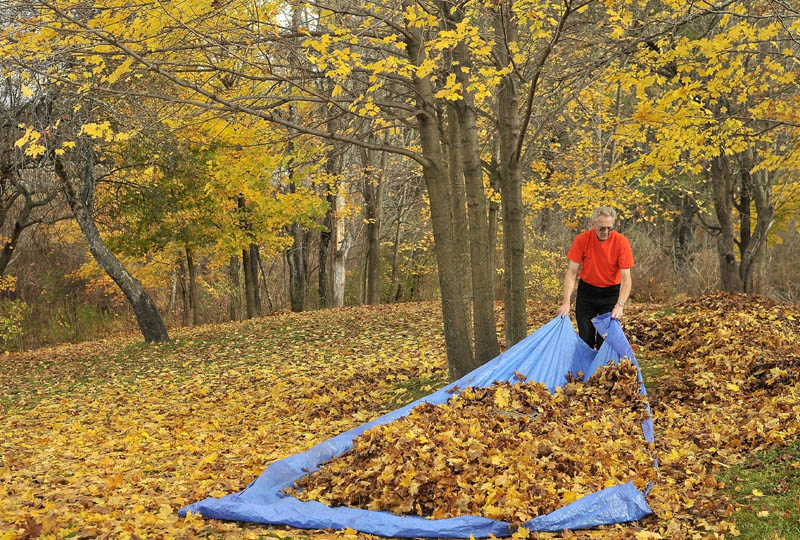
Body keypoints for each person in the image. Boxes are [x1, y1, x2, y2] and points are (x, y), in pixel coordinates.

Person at [556, 207, 633, 349]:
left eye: (609, 228)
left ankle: (601, 369)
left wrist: (620, 305)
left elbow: (626, 279)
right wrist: (566, 302)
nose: (606, 232)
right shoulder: (582, 240)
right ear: (593, 224)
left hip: (610, 294)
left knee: (605, 341)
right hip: (587, 293)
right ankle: (586, 370)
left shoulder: (621, 243)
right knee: (586, 339)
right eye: (602, 228)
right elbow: (572, 273)